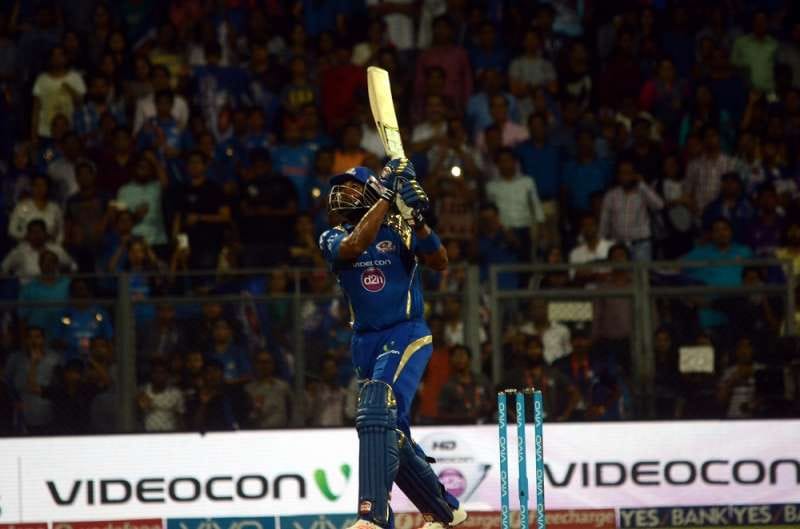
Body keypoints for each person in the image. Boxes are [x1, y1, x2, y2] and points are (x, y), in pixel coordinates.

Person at [318, 159, 466, 529]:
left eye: (352, 186)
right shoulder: (331, 237)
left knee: (375, 407)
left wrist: (417, 219)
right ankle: (445, 511)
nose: (343, 192)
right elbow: (354, 246)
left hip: (405, 331)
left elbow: (440, 261)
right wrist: (389, 196)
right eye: (342, 186)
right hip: (364, 341)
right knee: (390, 432)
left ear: (370, 192)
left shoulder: (400, 231)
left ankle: (373, 515)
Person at [246, 351, 291, 429]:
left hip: (281, 431)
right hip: (259, 431)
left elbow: (292, 409)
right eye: (260, 362)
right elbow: (247, 417)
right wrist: (255, 412)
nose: (264, 365)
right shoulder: (249, 389)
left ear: (273, 365)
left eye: (267, 362)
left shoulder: (283, 387)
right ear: (255, 365)